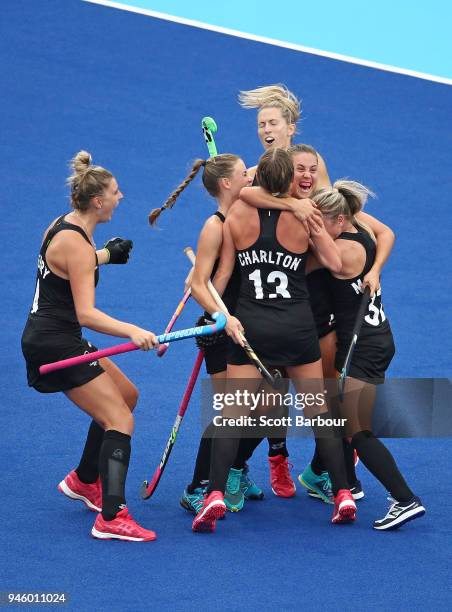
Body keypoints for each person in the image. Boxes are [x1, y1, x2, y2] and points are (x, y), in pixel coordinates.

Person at [191, 148, 357, 533]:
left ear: (260, 178)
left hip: (250, 328)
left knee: (232, 415)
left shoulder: (236, 215)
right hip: (297, 329)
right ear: (286, 181)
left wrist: (216, 315)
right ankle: (344, 493)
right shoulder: (305, 215)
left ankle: (214, 494)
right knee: (319, 412)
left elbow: (225, 274)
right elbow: (334, 263)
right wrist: (311, 233)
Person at [240, 143, 395, 503]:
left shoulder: (329, 205)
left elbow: (385, 233)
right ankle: (241, 467)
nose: (307, 176)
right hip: (276, 317)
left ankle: (322, 473)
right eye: (299, 169)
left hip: (318, 324)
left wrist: (373, 270)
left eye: (313, 168)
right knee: (267, 402)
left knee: (326, 406)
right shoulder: (267, 200)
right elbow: (243, 193)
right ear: (285, 173)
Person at [21, 150, 158, 542]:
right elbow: (87, 313)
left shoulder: (63, 226)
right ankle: (112, 518)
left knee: (127, 396)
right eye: (116, 192)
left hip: (58, 336)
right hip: (55, 344)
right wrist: (133, 330)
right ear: (97, 201)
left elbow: (72, 262)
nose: (121, 196)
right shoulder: (77, 245)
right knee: (121, 420)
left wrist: (106, 255)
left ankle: (85, 479)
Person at [149, 154, 264, 516]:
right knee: (231, 413)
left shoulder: (245, 213)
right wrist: (222, 316)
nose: (250, 176)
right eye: (244, 173)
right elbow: (198, 285)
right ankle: (198, 487)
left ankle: (233, 469)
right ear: (227, 184)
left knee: (263, 411)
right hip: (220, 329)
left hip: (247, 324)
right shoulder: (214, 225)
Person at [309, 179, 425, 530]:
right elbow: (387, 232)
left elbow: (298, 266)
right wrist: (376, 270)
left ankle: (404, 499)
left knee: (356, 430)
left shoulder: (341, 252)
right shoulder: (360, 223)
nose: (315, 228)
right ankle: (347, 484)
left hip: (364, 346)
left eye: (320, 223)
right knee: (343, 417)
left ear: (340, 221)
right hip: (377, 338)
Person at [238, 84, 330, 496]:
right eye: (261, 124)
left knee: (317, 389)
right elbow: (245, 191)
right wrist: (290, 206)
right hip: (265, 288)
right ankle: (271, 459)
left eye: (272, 122)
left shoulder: (310, 165)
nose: (265, 129)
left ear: (290, 128)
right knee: (269, 387)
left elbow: (329, 212)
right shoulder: (263, 167)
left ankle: (319, 468)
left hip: (308, 289)